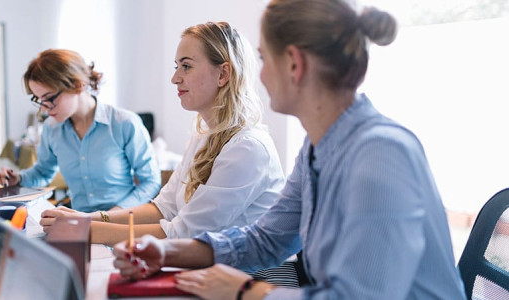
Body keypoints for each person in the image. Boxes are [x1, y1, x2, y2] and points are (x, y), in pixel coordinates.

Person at [111, 0, 467, 299]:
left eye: (264, 59)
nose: (259, 76)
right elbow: (266, 239)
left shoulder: (380, 156)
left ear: (295, 64)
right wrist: (165, 251)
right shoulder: (317, 149)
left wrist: (246, 290)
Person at [41, 22, 300, 287]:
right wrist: (88, 218)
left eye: (186, 66)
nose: (175, 78)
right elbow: (163, 208)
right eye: (176, 67)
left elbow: (183, 233)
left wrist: (86, 229)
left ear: (223, 74)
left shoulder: (247, 147)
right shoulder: (204, 136)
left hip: (259, 275)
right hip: (216, 266)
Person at [0, 49, 161, 213]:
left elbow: (151, 183)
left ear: (77, 85)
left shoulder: (124, 124)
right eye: (39, 100)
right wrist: (18, 178)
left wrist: (113, 215)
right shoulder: (51, 129)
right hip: (78, 221)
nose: (45, 110)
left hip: (121, 223)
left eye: (49, 99)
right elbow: (43, 172)